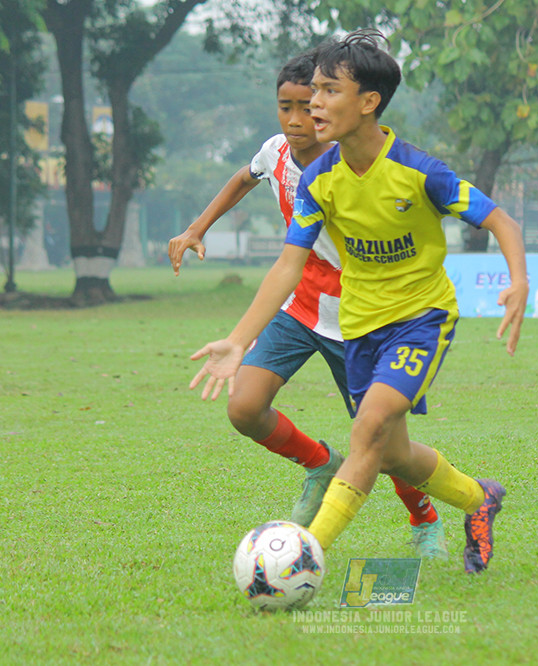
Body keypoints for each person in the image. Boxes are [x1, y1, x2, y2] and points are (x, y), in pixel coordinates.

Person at [189, 30, 528, 573]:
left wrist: (519, 280)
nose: (313, 104)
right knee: (393, 454)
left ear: (368, 102)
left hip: (420, 321)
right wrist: (237, 338)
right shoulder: (320, 180)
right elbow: (287, 266)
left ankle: (305, 554)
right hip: (359, 328)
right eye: (310, 93)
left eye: (327, 92)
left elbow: (500, 220)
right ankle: (478, 499)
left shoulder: (420, 172)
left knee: (368, 429)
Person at [168, 50, 447, 558]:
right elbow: (242, 178)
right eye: (286, 106)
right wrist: (196, 228)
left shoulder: (348, 165)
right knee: (245, 407)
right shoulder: (275, 151)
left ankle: (423, 516)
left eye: (311, 104)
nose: (298, 119)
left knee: (384, 450)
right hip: (299, 308)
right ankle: (319, 463)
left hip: (359, 319)